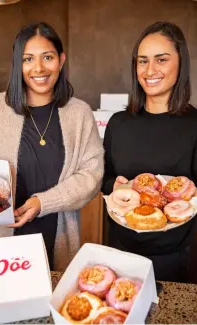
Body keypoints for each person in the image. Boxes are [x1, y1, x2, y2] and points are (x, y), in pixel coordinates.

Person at [0, 22, 104, 271]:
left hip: (56, 240)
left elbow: (92, 175)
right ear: (19, 64)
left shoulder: (79, 113)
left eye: (47, 57)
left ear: (61, 60)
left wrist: (43, 203)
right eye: (28, 59)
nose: (39, 68)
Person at [102, 21, 197, 282]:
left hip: (176, 255)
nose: (150, 70)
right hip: (120, 248)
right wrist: (115, 185)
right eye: (142, 61)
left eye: (161, 60)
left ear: (181, 63)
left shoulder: (194, 124)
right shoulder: (119, 123)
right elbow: (105, 176)